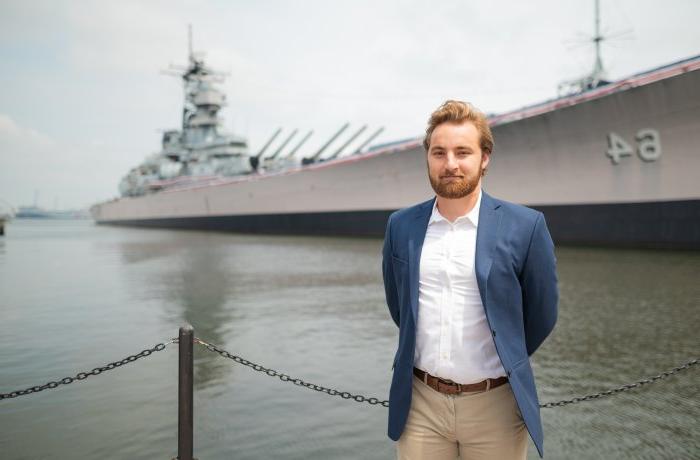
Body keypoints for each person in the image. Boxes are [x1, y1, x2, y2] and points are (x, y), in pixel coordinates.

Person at [382, 100, 558, 459]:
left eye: (463, 152)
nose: (450, 164)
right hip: (420, 404)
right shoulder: (400, 227)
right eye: (439, 152)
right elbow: (399, 306)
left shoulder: (526, 226)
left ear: (485, 158)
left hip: (496, 405)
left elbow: (542, 313)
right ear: (428, 158)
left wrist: (507, 352)